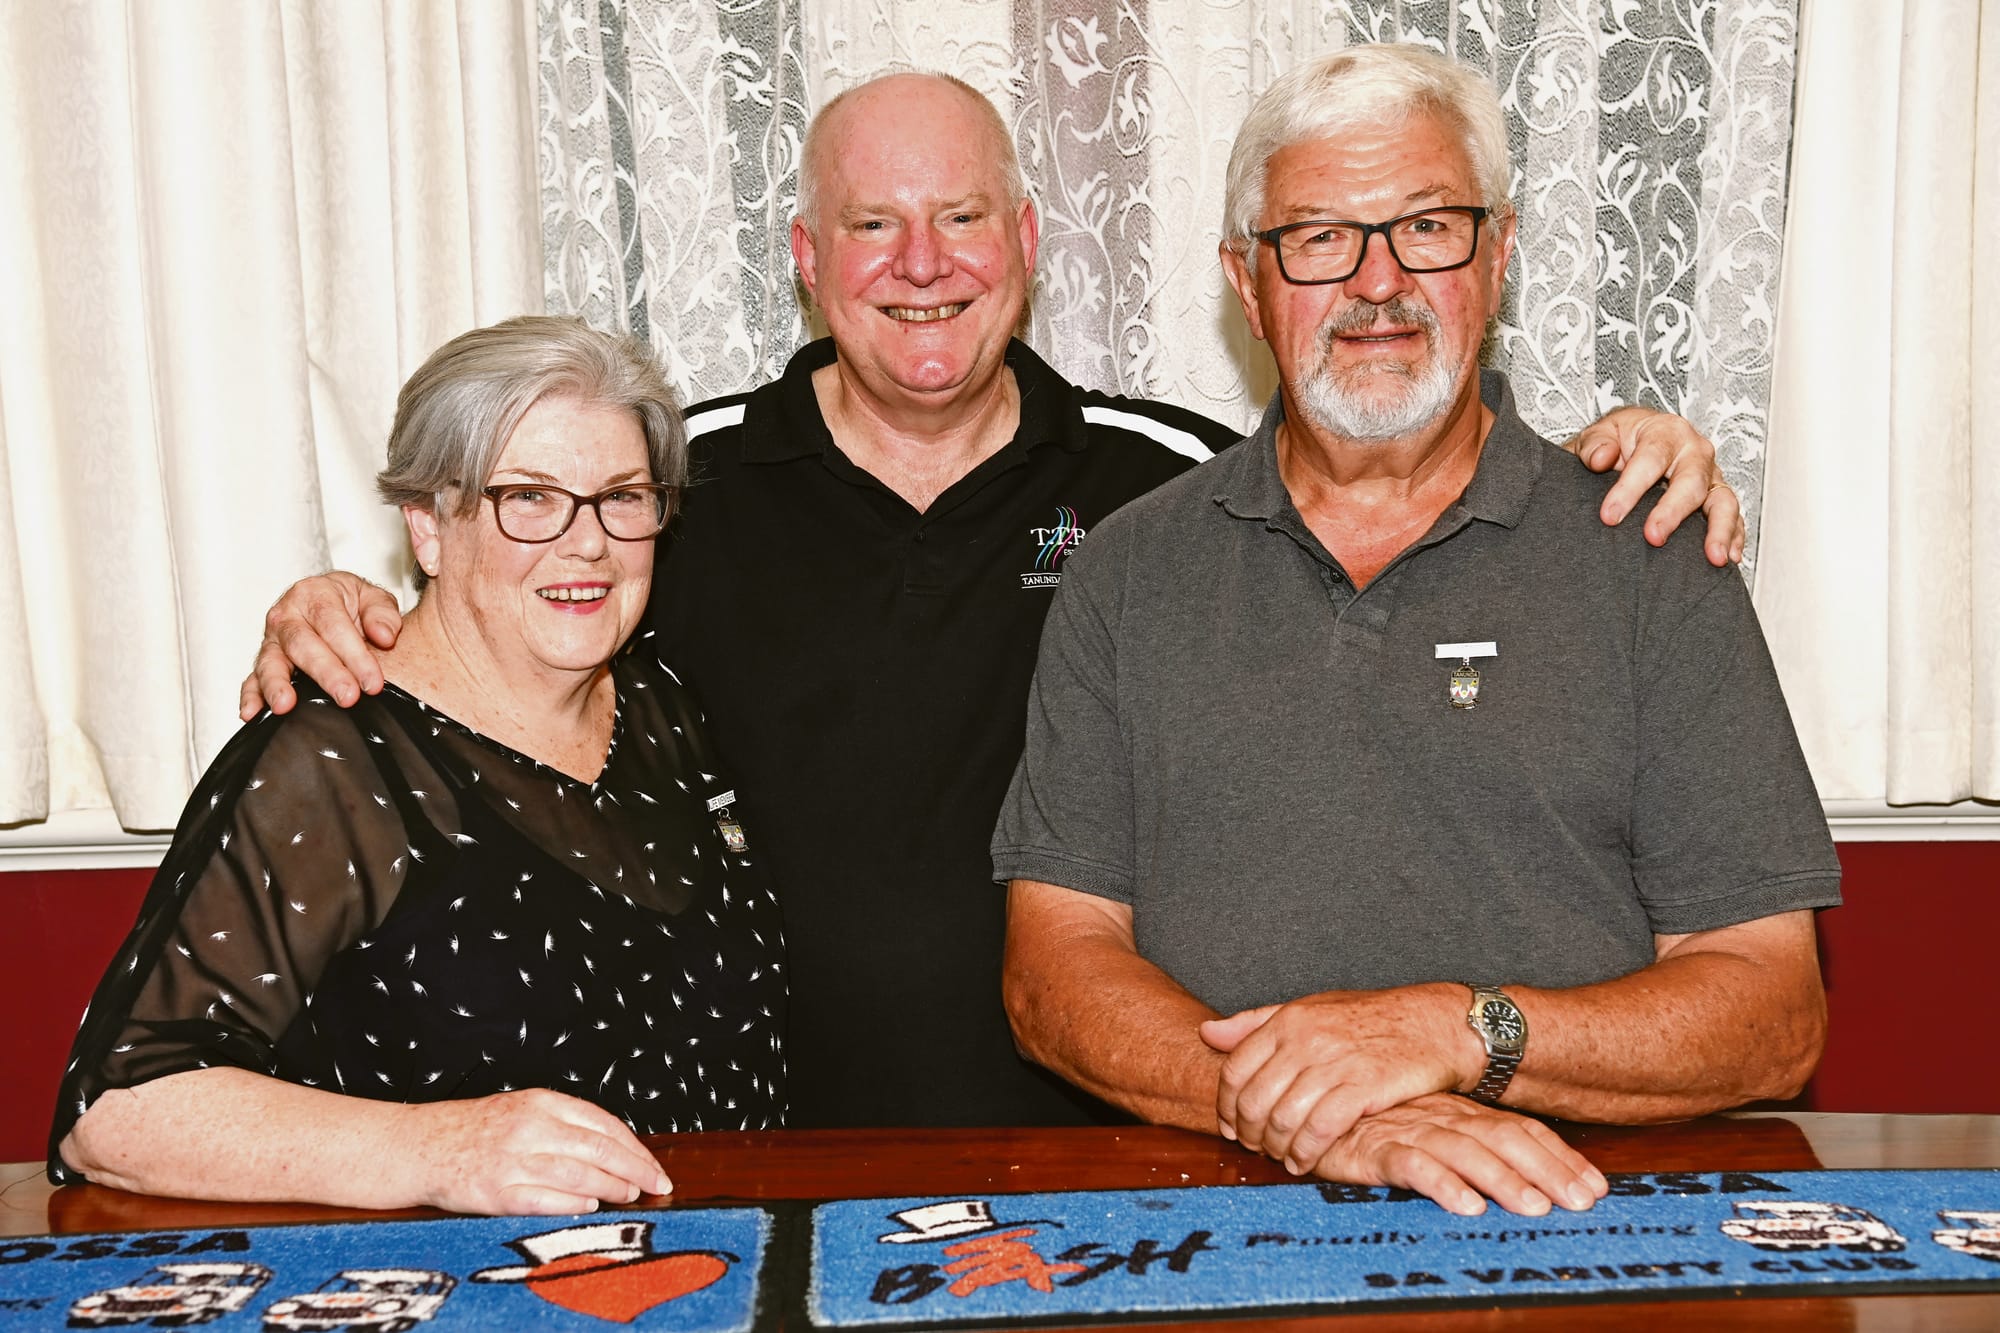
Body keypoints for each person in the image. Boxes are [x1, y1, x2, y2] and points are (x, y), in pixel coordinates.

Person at [242, 71, 1743, 1130]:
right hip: (762, 1141)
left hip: (1119, 1135)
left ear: (1025, 246)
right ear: (805, 260)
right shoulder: (674, 487)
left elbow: (1387, 471)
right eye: (872, 225)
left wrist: (1613, 456)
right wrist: (354, 607)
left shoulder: (1160, 488)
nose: (922, 265)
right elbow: (512, 593)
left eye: (961, 217)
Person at [994, 44, 1840, 1219]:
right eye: (1319, 238)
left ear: (1497, 257)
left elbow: (1771, 1010)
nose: (1377, 282)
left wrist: (1458, 1031)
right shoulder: (1127, 568)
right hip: (1206, 1209)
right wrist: (1323, 1107)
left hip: (1576, 1213)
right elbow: (1053, 967)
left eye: (1427, 227)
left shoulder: (1647, 550)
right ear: (1247, 282)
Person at [52, 317, 785, 1214]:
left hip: (734, 1253)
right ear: (428, 527)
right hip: (466, 1278)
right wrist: (438, 1148)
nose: (589, 541)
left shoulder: (668, 703)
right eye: (529, 497)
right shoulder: (332, 755)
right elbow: (117, 1107)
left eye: (622, 496)